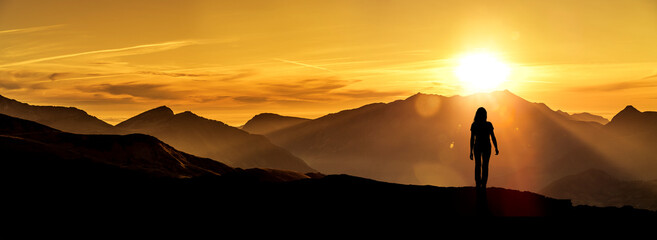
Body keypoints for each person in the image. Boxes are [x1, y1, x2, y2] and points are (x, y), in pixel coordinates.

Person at [469, 107, 499, 189]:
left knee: (477, 165)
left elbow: (472, 139)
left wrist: (471, 151)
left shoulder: (474, 125)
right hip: (487, 147)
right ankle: (484, 184)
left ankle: (478, 184)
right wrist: (496, 147)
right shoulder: (488, 124)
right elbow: (493, 137)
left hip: (477, 146)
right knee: (485, 165)